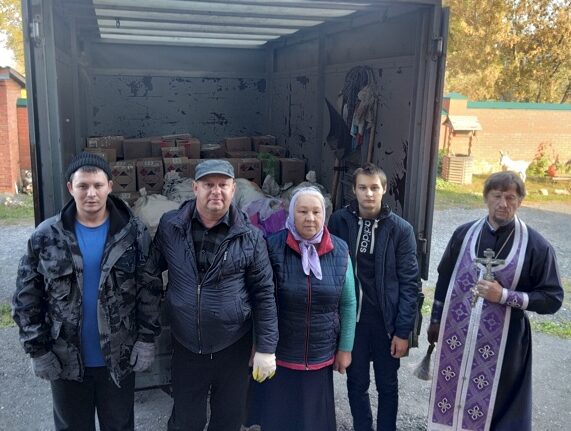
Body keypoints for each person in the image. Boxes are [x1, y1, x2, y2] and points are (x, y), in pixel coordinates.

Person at [12, 152, 161, 431]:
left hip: (118, 358)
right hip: (66, 360)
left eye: (97, 185)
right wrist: (37, 350)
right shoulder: (46, 236)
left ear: (110, 186)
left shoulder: (133, 233)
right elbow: (26, 296)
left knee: (119, 426)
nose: (91, 193)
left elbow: (150, 289)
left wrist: (146, 339)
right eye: (83, 186)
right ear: (70, 188)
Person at [142, 159, 278, 431]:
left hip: (233, 345)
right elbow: (150, 275)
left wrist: (266, 347)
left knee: (228, 420)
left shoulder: (250, 237)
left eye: (223, 185)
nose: (216, 191)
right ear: (195, 188)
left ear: (233, 189)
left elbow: (264, 293)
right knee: (186, 421)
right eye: (208, 185)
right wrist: (146, 332)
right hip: (186, 344)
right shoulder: (171, 226)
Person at [427, 171, 564, 431]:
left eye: (511, 197)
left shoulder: (536, 246)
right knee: (453, 399)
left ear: (520, 201)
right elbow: (444, 279)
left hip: (507, 345)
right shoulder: (463, 235)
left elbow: (553, 299)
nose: (503, 203)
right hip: (458, 336)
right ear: (486, 198)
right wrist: (435, 320)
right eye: (497, 196)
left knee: (497, 409)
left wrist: (504, 296)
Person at [248, 186, 356, 431]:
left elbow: (348, 303)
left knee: (313, 423)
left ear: (324, 215)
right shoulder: (272, 247)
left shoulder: (340, 251)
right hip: (281, 354)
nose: (310, 218)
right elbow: (262, 301)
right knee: (280, 421)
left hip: (320, 355)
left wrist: (345, 348)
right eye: (303, 211)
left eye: (316, 212)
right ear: (291, 214)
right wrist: (258, 345)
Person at [328, 163, 419, 431]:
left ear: (384, 189)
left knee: (387, 384)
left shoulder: (401, 230)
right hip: (353, 321)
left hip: (386, 322)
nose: (369, 193)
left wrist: (402, 331)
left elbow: (409, 283)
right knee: (356, 383)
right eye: (363, 188)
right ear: (354, 190)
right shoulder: (339, 222)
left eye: (374, 188)